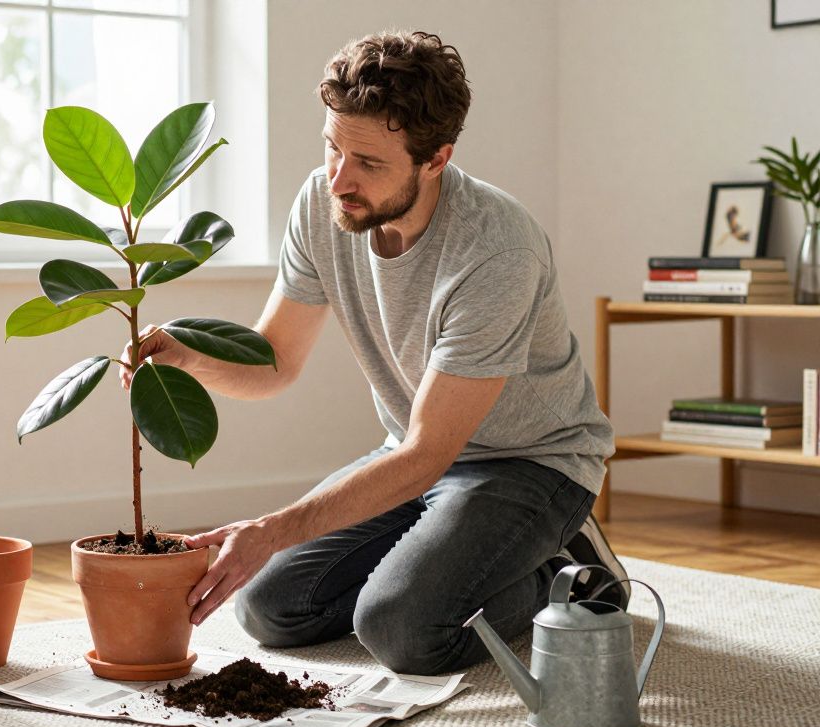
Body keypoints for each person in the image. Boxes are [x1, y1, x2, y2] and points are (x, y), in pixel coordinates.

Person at [119, 30, 622, 676]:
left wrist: (272, 529)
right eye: (333, 147)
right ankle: (437, 563)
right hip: (410, 454)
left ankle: (568, 570)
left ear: (435, 160)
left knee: (402, 628)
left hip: (530, 465)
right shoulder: (322, 203)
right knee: (268, 607)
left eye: (368, 163)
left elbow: (428, 453)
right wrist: (185, 355)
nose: (339, 178)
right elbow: (275, 359)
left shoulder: (497, 250)